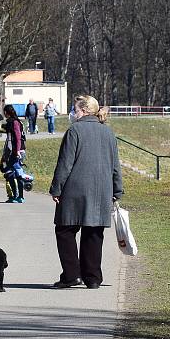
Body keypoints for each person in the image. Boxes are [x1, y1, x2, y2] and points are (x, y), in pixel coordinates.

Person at [49, 95, 123, 290]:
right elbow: (115, 165)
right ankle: (93, 277)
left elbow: (65, 163)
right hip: (101, 190)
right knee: (93, 232)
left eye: (75, 109)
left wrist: (56, 188)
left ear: (82, 111)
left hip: (75, 189)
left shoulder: (74, 130)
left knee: (65, 230)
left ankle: (72, 274)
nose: (73, 113)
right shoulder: (108, 133)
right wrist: (117, 189)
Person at [1, 104, 26, 203]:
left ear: (6, 113)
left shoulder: (15, 122)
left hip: (16, 152)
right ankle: (15, 196)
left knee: (16, 173)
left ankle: (19, 196)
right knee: (11, 173)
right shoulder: (11, 122)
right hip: (12, 151)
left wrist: (18, 151)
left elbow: (18, 138)